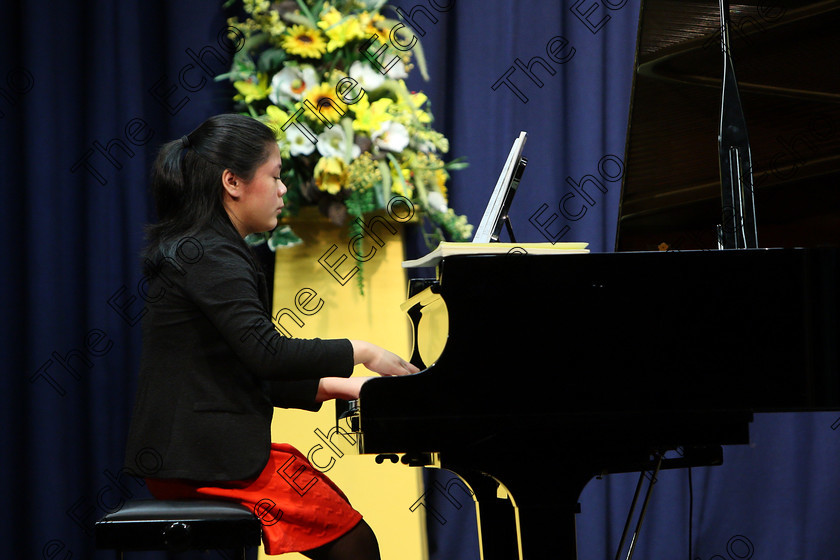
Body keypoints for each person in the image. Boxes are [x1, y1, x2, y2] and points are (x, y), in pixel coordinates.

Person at [123, 113, 419, 560]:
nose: (283, 190)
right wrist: (364, 352)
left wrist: (351, 386)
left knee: (343, 525)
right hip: (201, 459)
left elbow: (247, 370)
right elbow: (267, 355)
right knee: (353, 541)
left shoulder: (209, 246)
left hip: (198, 453)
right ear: (233, 183)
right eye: (275, 176)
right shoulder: (211, 254)